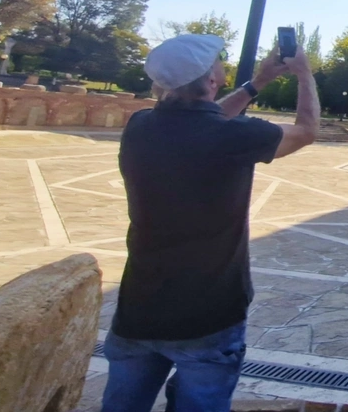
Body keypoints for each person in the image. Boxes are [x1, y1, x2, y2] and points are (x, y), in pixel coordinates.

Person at [101, 34, 319, 412]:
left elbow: (205, 118)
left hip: (139, 309)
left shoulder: (139, 127)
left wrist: (258, 82)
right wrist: (304, 74)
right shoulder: (235, 137)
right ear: (213, 79)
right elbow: (306, 131)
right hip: (209, 314)